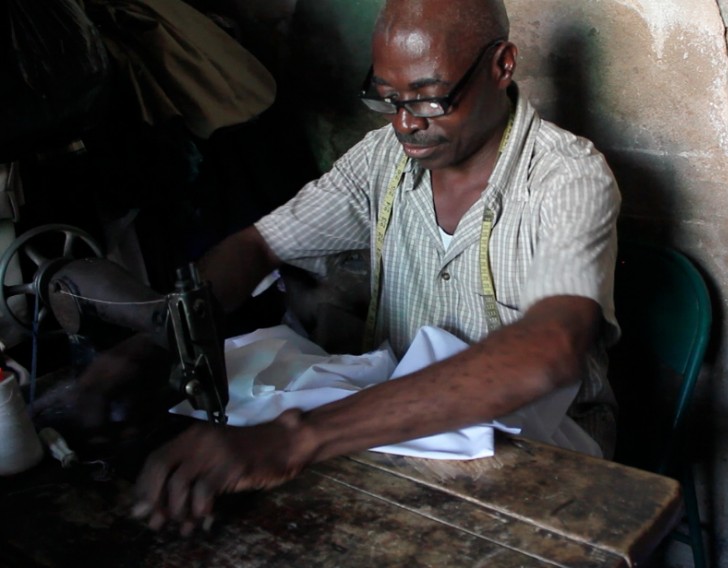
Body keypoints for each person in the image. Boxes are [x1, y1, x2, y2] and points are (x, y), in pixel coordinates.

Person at [79, 0, 621, 534]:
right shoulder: (383, 157)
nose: (407, 123)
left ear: (501, 64)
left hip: (545, 451)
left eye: (430, 99)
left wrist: (295, 438)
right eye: (387, 98)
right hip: (399, 429)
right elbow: (257, 245)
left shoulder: (565, 178)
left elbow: (546, 353)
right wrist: (157, 341)